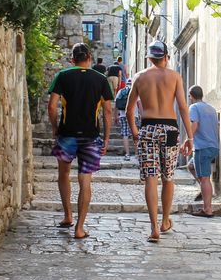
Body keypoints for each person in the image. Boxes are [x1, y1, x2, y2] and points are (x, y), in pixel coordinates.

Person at [126, 40, 191, 242]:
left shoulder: (139, 77)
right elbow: (183, 107)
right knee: (168, 177)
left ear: (150, 58)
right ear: (166, 57)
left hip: (147, 129)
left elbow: (129, 110)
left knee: (151, 178)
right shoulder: (174, 76)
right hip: (169, 129)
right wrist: (190, 136)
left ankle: (153, 228)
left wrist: (135, 133)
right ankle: (164, 221)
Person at [46, 43, 114, 239]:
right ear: (90, 58)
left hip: (67, 134)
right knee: (85, 180)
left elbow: (52, 106)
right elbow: (107, 111)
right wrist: (106, 139)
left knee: (63, 174)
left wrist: (55, 128)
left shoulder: (62, 76)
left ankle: (67, 215)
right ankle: (79, 228)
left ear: (72, 59)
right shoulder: (101, 79)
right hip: (91, 136)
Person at [184, 85, 219, 217]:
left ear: (191, 96)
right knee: (191, 166)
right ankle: (206, 190)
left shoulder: (194, 107)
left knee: (204, 178)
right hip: (213, 146)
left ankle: (207, 209)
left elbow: (194, 124)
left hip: (202, 147)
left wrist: (187, 141)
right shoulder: (211, 108)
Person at [112, 79, 134, 158]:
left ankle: (127, 154)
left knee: (125, 134)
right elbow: (139, 104)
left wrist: (115, 116)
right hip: (134, 116)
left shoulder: (121, 91)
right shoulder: (135, 90)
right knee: (135, 133)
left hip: (122, 115)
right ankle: (137, 154)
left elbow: (116, 104)